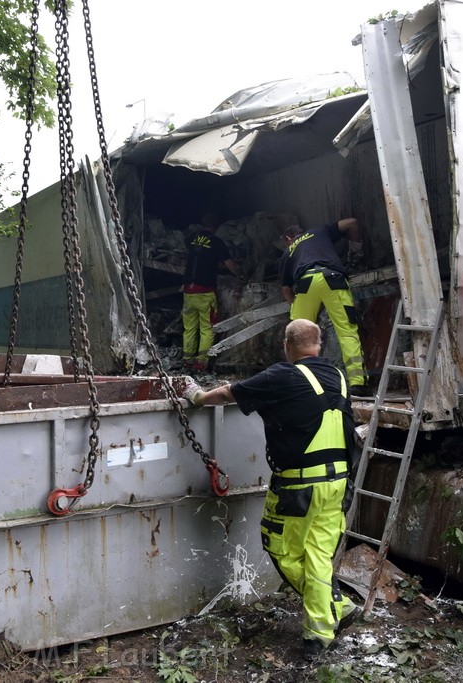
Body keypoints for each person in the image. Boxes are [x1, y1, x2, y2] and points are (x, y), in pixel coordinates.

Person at [185, 318, 356, 656]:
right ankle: (340, 609)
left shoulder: (282, 375)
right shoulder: (337, 375)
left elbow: (228, 393)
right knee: (319, 555)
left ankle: (321, 628)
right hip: (338, 483)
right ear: (318, 345)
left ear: (287, 345)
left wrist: (197, 395)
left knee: (282, 550)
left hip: (298, 488)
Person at [278, 216, 369, 393]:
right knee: (346, 330)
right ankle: (358, 383)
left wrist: (295, 305)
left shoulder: (288, 251)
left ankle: (301, 383)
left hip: (305, 284)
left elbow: (285, 290)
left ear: (288, 239)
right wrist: (356, 248)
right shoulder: (319, 231)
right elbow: (352, 222)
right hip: (333, 278)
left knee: (298, 336)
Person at [182, 212, 242, 373]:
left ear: (203, 224)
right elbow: (230, 265)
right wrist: (242, 274)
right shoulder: (216, 242)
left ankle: (187, 361)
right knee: (207, 328)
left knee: (189, 327)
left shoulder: (191, 239)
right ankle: (201, 363)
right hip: (205, 292)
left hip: (188, 291)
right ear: (215, 226)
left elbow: (200, 258)